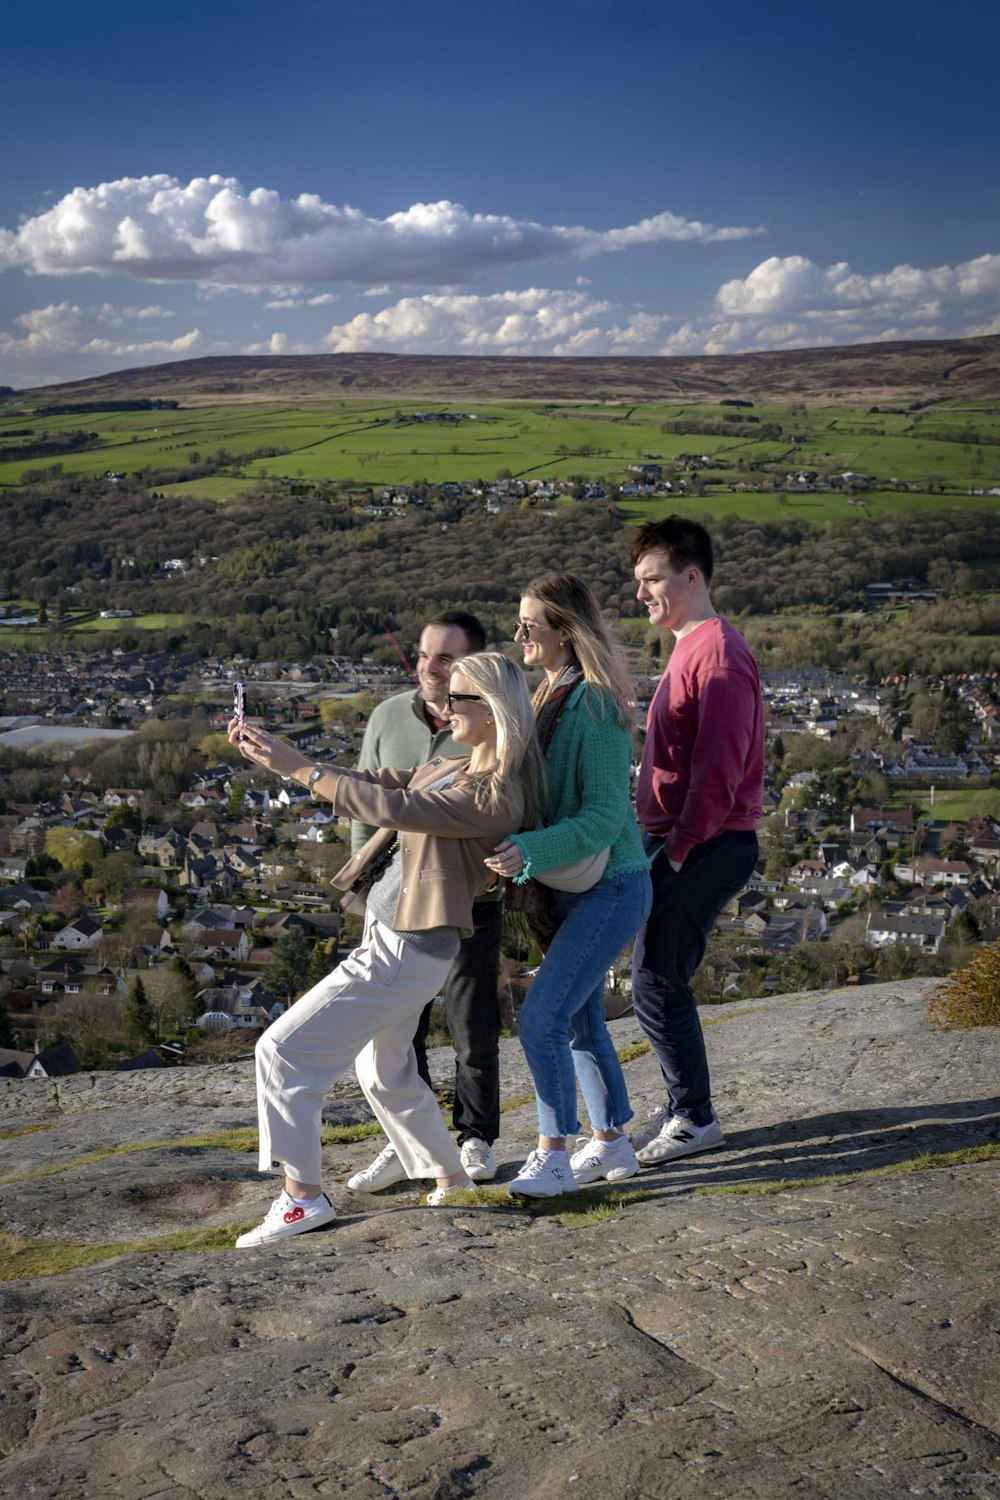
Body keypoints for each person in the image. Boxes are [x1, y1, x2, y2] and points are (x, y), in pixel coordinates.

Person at [228, 652, 539, 1247]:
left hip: (407, 950)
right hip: (395, 940)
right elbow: (381, 785)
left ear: (494, 708)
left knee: (283, 1051)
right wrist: (284, 756)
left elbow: (396, 809)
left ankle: (301, 1200)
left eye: (459, 698)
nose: (445, 708)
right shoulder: (452, 763)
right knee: (385, 1070)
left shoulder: (496, 796)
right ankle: (450, 1179)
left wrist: (298, 770)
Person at [485, 574, 652, 1197]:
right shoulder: (548, 694)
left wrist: (528, 849)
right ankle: (611, 1145)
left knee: (541, 1018)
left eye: (530, 624)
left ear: (565, 630)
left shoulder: (596, 705)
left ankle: (553, 1153)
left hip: (611, 886)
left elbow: (608, 815)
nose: (519, 634)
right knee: (580, 1021)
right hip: (575, 889)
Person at [347, 610, 507, 1190]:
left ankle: (475, 1139)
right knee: (394, 1033)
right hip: (396, 904)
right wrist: (364, 890)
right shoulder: (389, 716)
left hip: (469, 902)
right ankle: (407, 1144)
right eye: (422, 655)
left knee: (472, 1025)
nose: (428, 668)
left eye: (444, 658)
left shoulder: (491, 725)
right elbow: (366, 800)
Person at [628, 516, 765, 1165]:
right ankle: (685, 1103)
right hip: (688, 840)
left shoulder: (717, 655)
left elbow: (720, 770)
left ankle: (695, 1116)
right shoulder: (690, 646)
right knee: (657, 975)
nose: (641, 592)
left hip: (707, 844)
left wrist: (678, 848)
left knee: (655, 979)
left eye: (652, 578)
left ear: (692, 575)